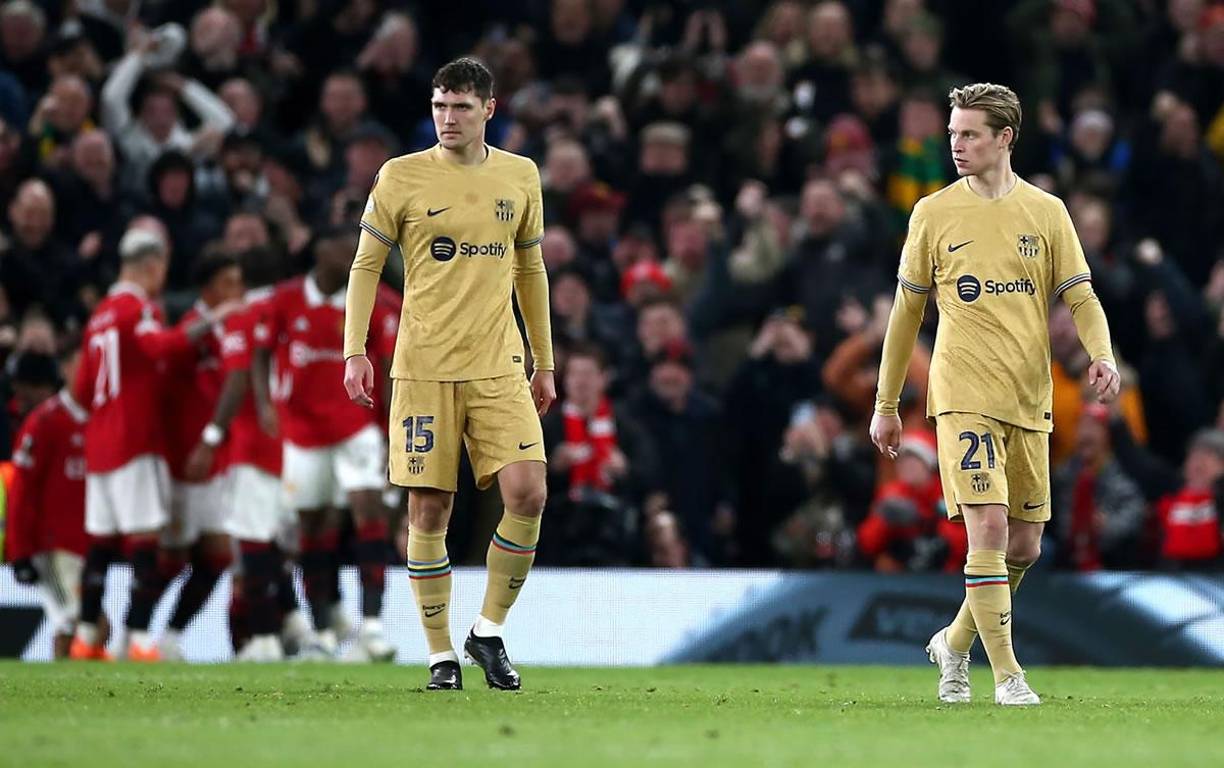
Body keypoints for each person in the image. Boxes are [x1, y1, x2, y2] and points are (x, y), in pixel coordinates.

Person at [870, 83, 1119, 706]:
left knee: (1026, 543)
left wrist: (1102, 355)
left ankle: (953, 644)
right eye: (953, 133)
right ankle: (1008, 676)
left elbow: (1080, 297)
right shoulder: (932, 214)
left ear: (1005, 137)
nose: (956, 144)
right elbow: (905, 318)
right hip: (962, 394)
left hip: (1029, 398)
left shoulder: (1047, 211)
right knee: (986, 527)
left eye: (970, 134)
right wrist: (886, 405)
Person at [342, 57, 555, 691]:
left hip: (499, 366)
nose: (447, 118)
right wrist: (355, 350)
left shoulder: (520, 176)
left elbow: (531, 272)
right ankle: (439, 656)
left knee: (529, 493)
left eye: (460, 107)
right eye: (439, 105)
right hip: (424, 370)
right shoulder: (401, 176)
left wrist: (544, 360)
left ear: (490, 109)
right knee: (428, 511)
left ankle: (487, 633)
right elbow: (364, 266)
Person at [69, 226, 239, 661]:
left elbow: (83, 388)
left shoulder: (100, 314)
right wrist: (210, 322)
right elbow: (159, 346)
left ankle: (87, 638)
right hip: (134, 440)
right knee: (148, 542)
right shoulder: (136, 308)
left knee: (102, 546)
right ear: (151, 266)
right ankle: (140, 637)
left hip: (100, 444)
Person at [252, 227, 399, 662]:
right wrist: (264, 403)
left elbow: (391, 366)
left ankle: (372, 627)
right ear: (320, 248)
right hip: (302, 433)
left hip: (357, 427)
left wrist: (391, 430)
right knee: (314, 529)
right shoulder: (285, 299)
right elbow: (259, 352)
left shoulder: (375, 298)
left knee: (368, 512)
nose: (352, 253)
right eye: (344, 245)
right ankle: (321, 633)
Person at [156, 251, 244, 661]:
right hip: (182, 459)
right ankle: (134, 633)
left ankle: (169, 636)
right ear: (209, 288)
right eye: (229, 282)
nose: (237, 291)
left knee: (218, 554)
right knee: (170, 558)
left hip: (215, 461)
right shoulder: (192, 327)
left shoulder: (228, 331)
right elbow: (171, 356)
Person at [4, 347, 89, 658]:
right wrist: (20, 552)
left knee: (75, 624)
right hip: (51, 546)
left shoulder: (101, 418)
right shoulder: (46, 422)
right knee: (82, 621)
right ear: (66, 369)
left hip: (85, 545)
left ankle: (70, 691)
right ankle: (72, 692)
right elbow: (21, 493)